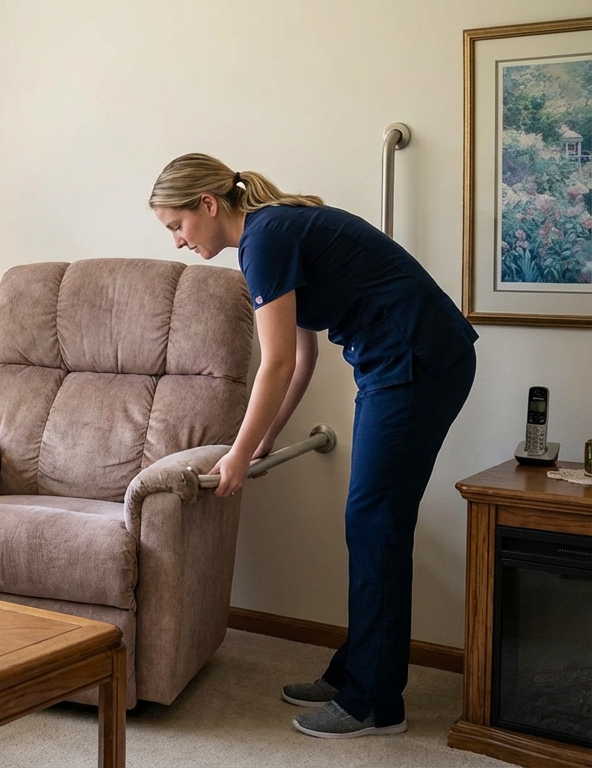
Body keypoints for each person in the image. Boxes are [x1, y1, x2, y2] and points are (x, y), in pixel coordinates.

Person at [148, 153, 478, 739]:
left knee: (375, 520)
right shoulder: (273, 232)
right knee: (371, 521)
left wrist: (238, 456)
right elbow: (303, 359)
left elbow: (271, 364)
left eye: (177, 225)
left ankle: (373, 703)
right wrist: (267, 436)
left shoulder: (266, 239)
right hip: (395, 362)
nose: (177, 241)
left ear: (207, 204)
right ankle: (357, 672)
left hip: (415, 361)